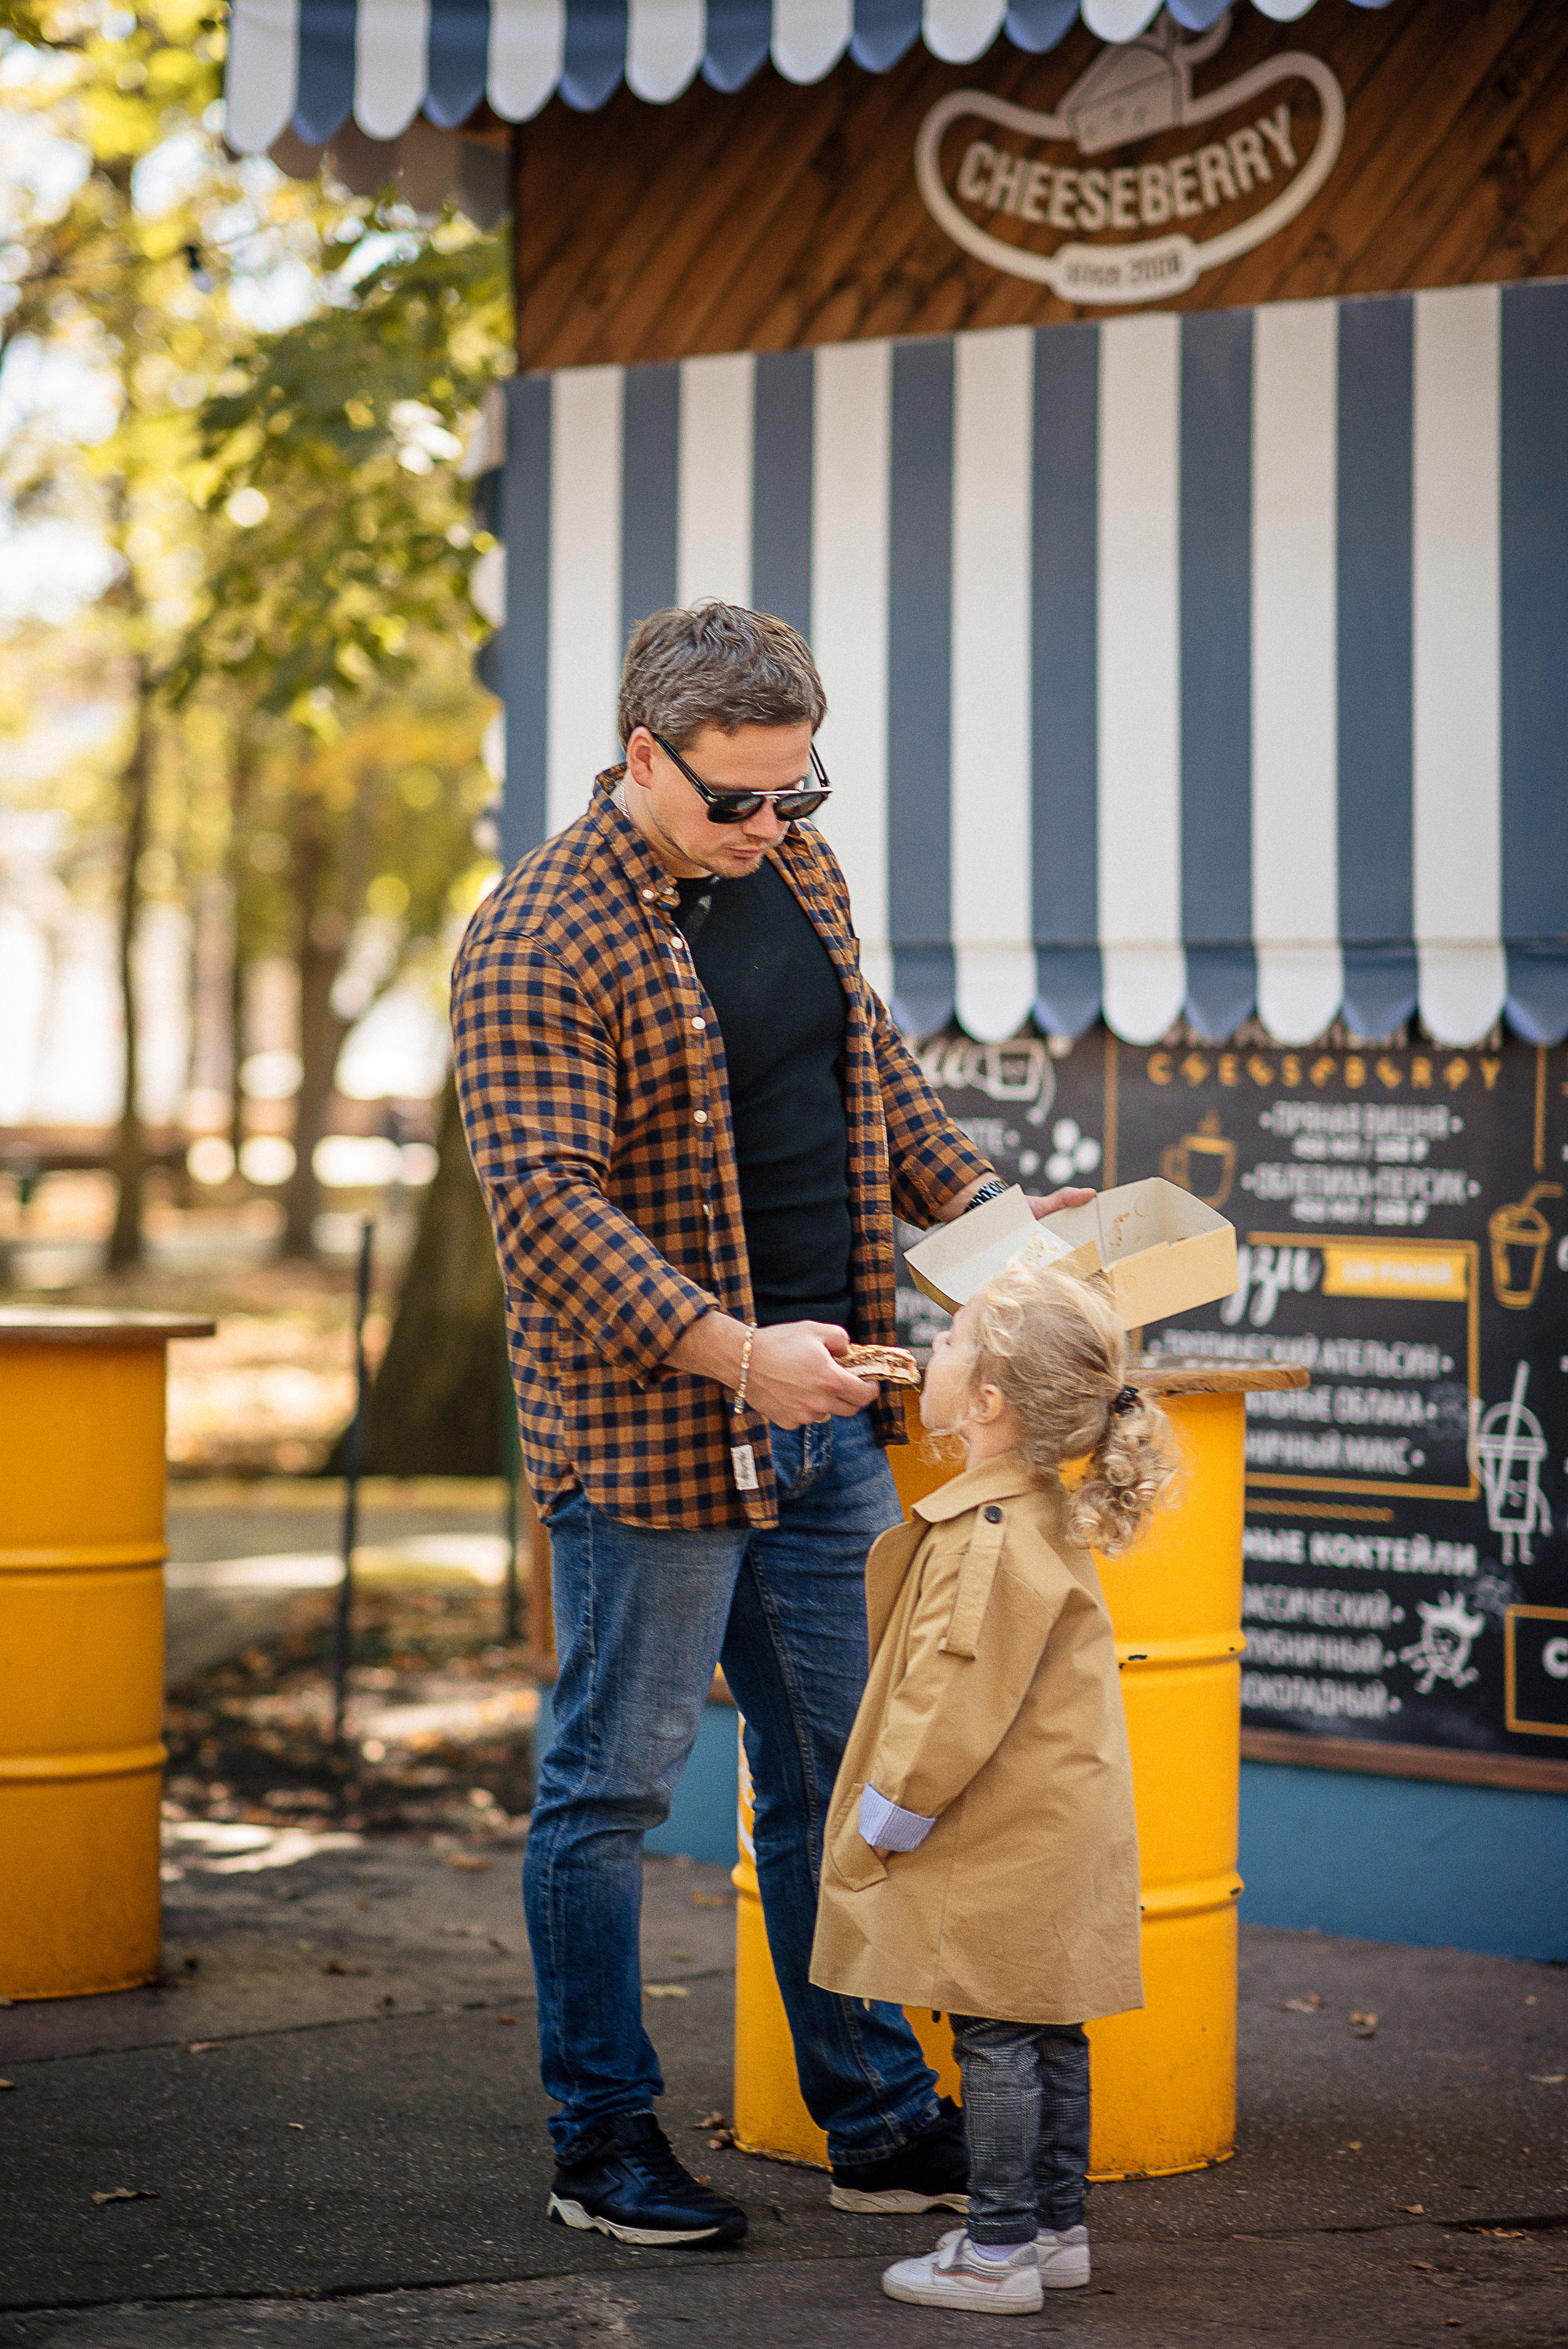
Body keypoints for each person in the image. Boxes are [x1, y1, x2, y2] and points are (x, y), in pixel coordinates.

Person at [450, 601, 1090, 2250]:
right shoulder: (540, 936)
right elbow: (547, 1205)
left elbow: (860, 1073)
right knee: (608, 1794)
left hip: (832, 1410)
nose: (768, 829)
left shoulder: (798, 871)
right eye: (735, 798)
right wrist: (732, 1352)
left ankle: (870, 2116)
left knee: (837, 1773)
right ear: (642, 757)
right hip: (664, 1435)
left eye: (795, 795)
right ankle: (601, 2146)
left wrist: (999, 1231)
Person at [810, 1257, 1178, 2315]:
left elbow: (951, 1697)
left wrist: (886, 1816)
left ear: (987, 1403)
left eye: (955, 1337)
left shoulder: (989, 1533)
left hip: (1000, 1827)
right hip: (1058, 1818)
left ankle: (997, 2251)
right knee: (1049, 2024)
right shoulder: (1041, 1512)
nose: (931, 1347)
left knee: (997, 2037)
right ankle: (1056, 2226)